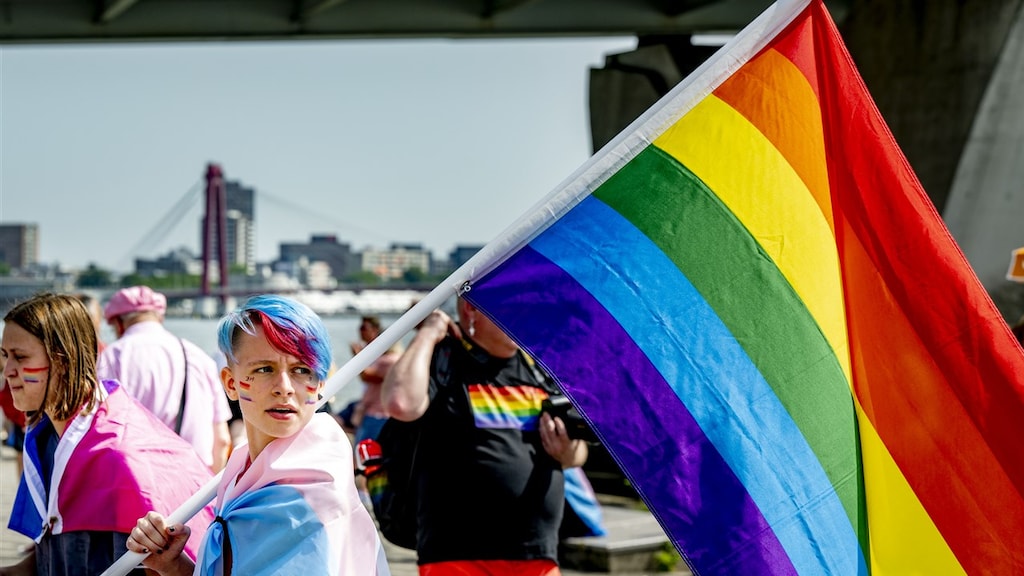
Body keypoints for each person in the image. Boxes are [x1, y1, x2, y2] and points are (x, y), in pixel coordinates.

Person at [126, 294, 390, 576]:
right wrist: (172, 565)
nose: (285, 387)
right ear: (230, 383)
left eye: (302, 370)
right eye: (265, 369)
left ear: (319, 384)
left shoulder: (309, 496)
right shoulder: (243, 467)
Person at [0, 292, 214, 576]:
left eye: (20, 357)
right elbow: (50, 561)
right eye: (4, 356)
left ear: (63, 360)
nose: (8, 371)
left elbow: (152, 570)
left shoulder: (117, 458)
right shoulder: (49, 438)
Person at [382, 297, 588, 576]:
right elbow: (400, 404)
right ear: (472, 309)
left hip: (537, 553)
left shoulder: (538, 367)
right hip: (457, 555)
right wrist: (428, 333)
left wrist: (568, 452)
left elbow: (578, 453)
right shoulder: (445, 356)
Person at [97, 285, 232, 472]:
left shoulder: (111, 358)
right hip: (196, 480)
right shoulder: (198, 357)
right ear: (160, 317)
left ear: (119, 323)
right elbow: (222, 440)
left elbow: (102, 432)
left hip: (138, 482)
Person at [351, 315, 404, 445]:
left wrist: (357, 357)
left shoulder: (390, 360)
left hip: (379, 414)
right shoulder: (381, 358)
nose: (360, 331)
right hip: (372, 411)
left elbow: (368, 376)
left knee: (364, 452)